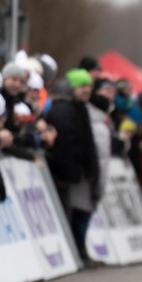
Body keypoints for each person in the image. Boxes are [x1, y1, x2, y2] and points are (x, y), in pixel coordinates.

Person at [45, 71, 100, 263]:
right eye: (82, 86)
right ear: (71, 88)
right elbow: (65, 146)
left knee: (81, 209)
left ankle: (80, 250)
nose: (87, 90)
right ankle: (76, 252)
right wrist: (67, 173)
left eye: (89, 86)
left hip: (79, 172)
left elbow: (87, 142)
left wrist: (92, 169)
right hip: (68, 174)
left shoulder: (80, 108)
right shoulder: (63, 111)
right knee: (74, 211)